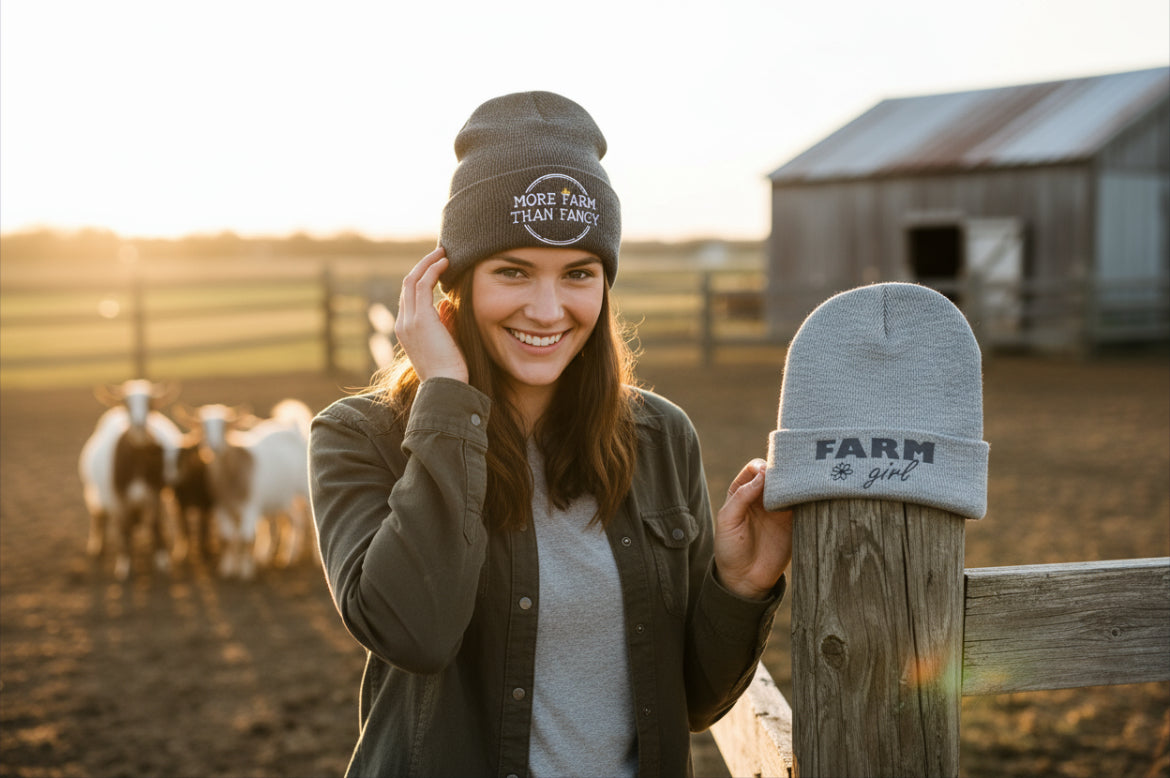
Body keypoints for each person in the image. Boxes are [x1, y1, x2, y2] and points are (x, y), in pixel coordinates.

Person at [308, 90, 793, 778]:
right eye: (512, 271)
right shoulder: (360, 438)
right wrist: (447, 398)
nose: (547, 309)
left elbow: (688, 702)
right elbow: (413, 633)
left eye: (577, 275)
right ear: (454, 284)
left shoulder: (660, 436)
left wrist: (739, 585)